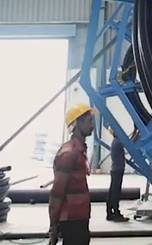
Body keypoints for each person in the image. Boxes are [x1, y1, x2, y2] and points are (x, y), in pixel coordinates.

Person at [49, 104, 95, 245]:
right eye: (89, 121)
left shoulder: (79, 151)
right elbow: (57, 193)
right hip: (71, 219)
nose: (92, 125)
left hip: (79, 216)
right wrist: (53, 226)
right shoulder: (69, 154)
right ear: (77, 124)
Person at [104, 128, 130, 222]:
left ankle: (110, 213)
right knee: (115, 192)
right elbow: (129, 145)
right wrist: (136, 132)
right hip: (118, 170)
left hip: (115, 170)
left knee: (112, 192)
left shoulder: (115, 142)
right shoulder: (118, 142)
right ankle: (115, 213)